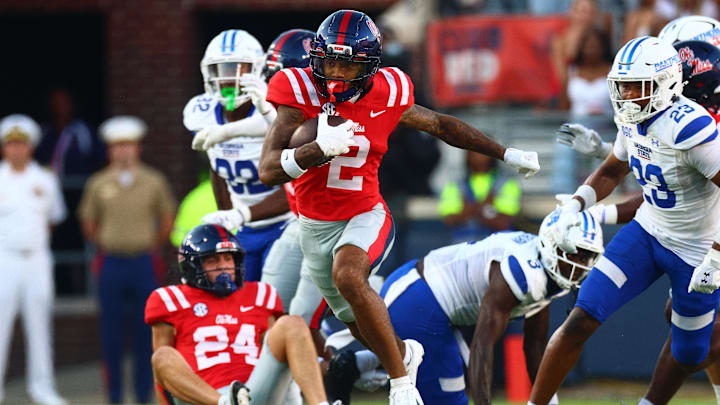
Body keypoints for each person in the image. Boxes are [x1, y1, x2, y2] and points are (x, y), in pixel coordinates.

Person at [258, 9, 540, 405]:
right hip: (314, 225)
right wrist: (314, 150)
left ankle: (401, 384)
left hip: (366, 212)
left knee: (350, 274)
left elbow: (442, 126)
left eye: (348, 65)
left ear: (371, 67)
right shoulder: (296, 89)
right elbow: (268, 170)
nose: (336, 74)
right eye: (330, 61)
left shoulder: (388, 90)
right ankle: (405, 355)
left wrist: (506, 152)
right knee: (356, 322)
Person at [527, 36, 720, 405]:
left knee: (691, 353)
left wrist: (716, 256)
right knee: (583, 315)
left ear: (665, 84)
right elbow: (613, 170)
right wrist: (576, 204)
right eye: (623, 86)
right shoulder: (634, 117)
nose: (627, 95)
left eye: (637, 86)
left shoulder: (691, 128)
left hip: (696, 253)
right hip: (647, 235)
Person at [326, 211, 603, 405]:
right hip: (419, 299)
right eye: (575, 252)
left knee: (440, 376)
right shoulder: (521, 270)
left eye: (587, 256)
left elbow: (535, 344)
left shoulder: (548, 273)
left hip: (429, 301)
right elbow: (483, 344)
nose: (580, 264)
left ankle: (355, 366)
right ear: (553, 245)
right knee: (447, 396)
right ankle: (353, 369)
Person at [146, 223, 339, 405]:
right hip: (203, 398)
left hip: (251, 395)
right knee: (162, 356)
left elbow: (279, 357)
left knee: (292, 324)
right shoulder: (170, 299)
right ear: (192, 265)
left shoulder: (260, 294)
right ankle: (225, 402)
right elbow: (162, 378)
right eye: (213, 260)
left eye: (228, 258)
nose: (224, 266)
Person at [78, 116, 177, 404]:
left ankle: (145, 394)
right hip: (111, 263)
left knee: (147, 330)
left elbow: (167, 219)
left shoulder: (153, 180)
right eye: (117, 146)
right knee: (110, 332)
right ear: (110, 150)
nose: (123, 151)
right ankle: (115, 395)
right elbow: (88, 223)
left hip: (143, 263)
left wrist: (150, 243)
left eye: (128, 145)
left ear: (138, 148)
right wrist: (109, 242)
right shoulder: (98, 183)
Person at [184, 29, 294, 283]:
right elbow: (218, 169)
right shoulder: (201, 111)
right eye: (221, 70)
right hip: (245, 228)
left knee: (275, 299)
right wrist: (228, 218)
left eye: (238, 68)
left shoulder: (271, 109)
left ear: (256, 70)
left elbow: (296, 188)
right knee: (242, 299)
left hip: (286, 223)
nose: (229, 78)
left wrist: (239, 214)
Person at [0, 114, 67, 405]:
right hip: (4, 258)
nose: (16, 150)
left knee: (39, 324)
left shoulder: (45, 178)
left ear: (31, 147)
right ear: (4, 147)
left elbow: (53, 218)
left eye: (21, 144)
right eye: (11, 144)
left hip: (37, 258)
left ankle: (42, 388)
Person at [438, 150, 521, 243]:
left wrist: (468, 210)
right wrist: (485, 209)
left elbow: (504, 223)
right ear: (467, 155)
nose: (477, 155)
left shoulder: (507, 184)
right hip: (463, 247)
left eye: (480, 150)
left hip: (495, 248)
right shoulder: (454, 184)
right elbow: (449, 221)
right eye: (472, 150)